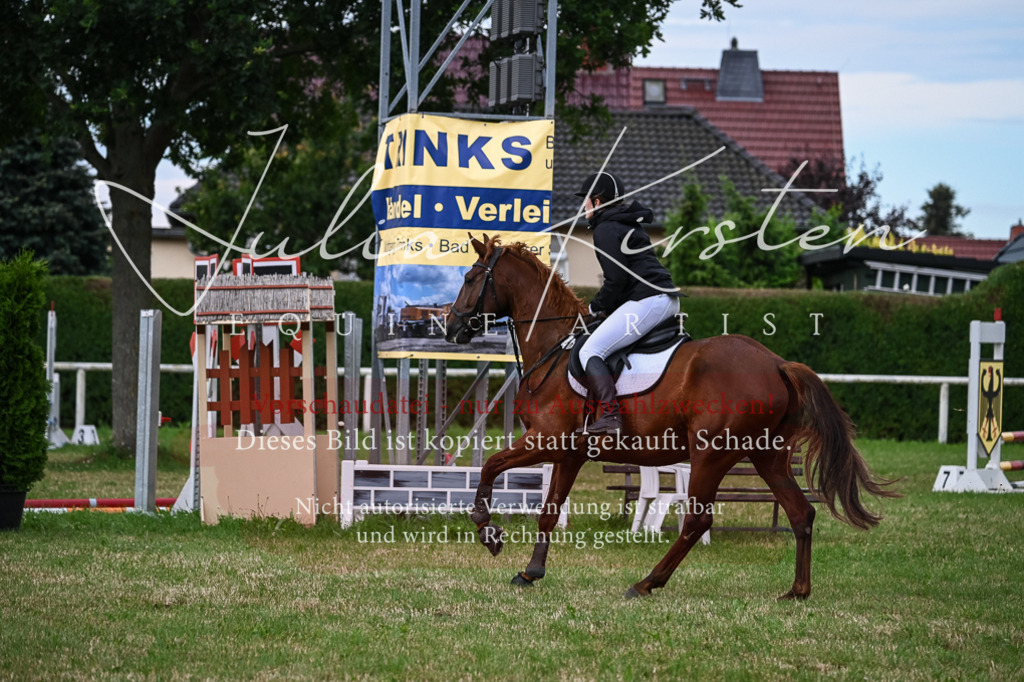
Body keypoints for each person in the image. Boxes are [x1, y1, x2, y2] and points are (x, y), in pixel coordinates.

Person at [574, 171, 681, 435]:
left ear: (597, 201)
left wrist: (594, 308)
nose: (583, 207)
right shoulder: (626, 223)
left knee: (589, 351)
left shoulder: (605, 229)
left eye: (586, 200)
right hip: (664, 299)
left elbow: (616, 281)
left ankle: (610, 415)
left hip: (648, 301)